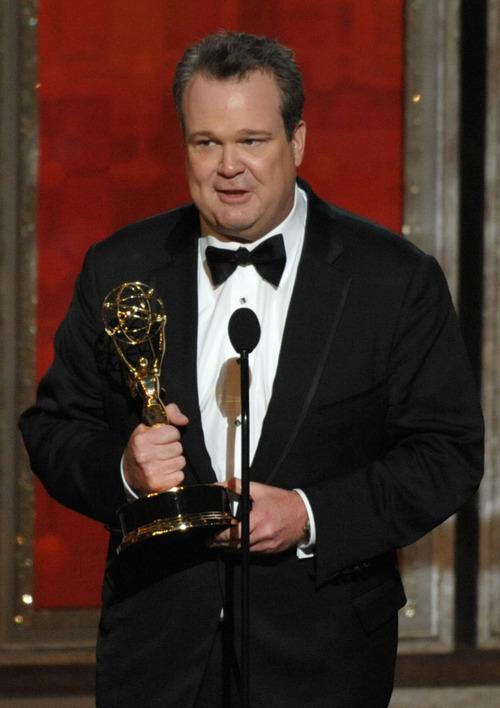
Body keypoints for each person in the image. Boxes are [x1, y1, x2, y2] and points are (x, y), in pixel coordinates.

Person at [19, 31, 483, 708]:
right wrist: (124, 470)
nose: (228, 166)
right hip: (156, 655)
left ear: (297, 141)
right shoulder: (120, 266)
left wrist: (307, 514)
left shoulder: (394, 279)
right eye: (206, 142)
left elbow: (447, 454)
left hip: (323, 660)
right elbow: (54, 429)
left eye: (252, 140)